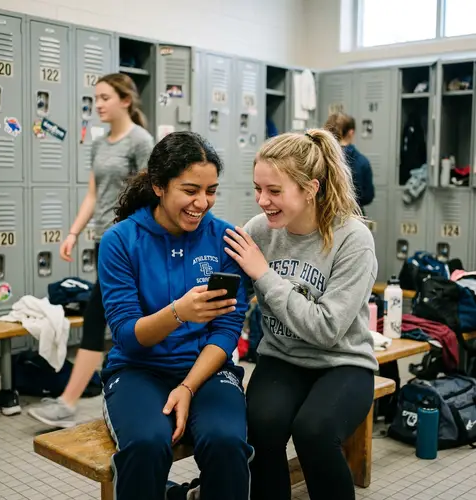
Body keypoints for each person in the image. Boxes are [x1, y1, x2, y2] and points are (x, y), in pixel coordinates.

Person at [223, 129, 380, 500]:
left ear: (310, 188)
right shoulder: (258, 231)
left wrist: (264, 273)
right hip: (283, 359)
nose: (262, 201)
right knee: (262, 425)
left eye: (274, 191)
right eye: (258, 189)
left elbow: (327, 329)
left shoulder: (352, 239)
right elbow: (226, 300)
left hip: (344, 363)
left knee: (315, 431)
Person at [98, 131, 253, 500]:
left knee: (227, 441)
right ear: (158, 186)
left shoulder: (225, 239)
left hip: (207, 369)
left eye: (211, 190)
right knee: (147, 444)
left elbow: (228, 329)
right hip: (138, 370)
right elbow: (127, 335)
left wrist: (188, 386)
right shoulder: (120, 241)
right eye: (190, 190)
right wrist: (178, 313)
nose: (202, 202)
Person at [28, 73, 155, 428]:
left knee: (99, 315)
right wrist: (73, 232)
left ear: (125, 101)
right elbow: (93, 195)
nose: (97, 104)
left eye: (104, 98)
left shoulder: (141, 141)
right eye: (95, 98)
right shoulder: (99, 144)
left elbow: (151, 195)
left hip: (130, 243)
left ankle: (68, 402)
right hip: (104, 241)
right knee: (109, 317)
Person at [324, 112, 374, 214]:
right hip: (353, 215)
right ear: (351, 133)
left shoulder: (319, 158)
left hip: (324, 216)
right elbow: (368, 196)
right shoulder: (362, 161)